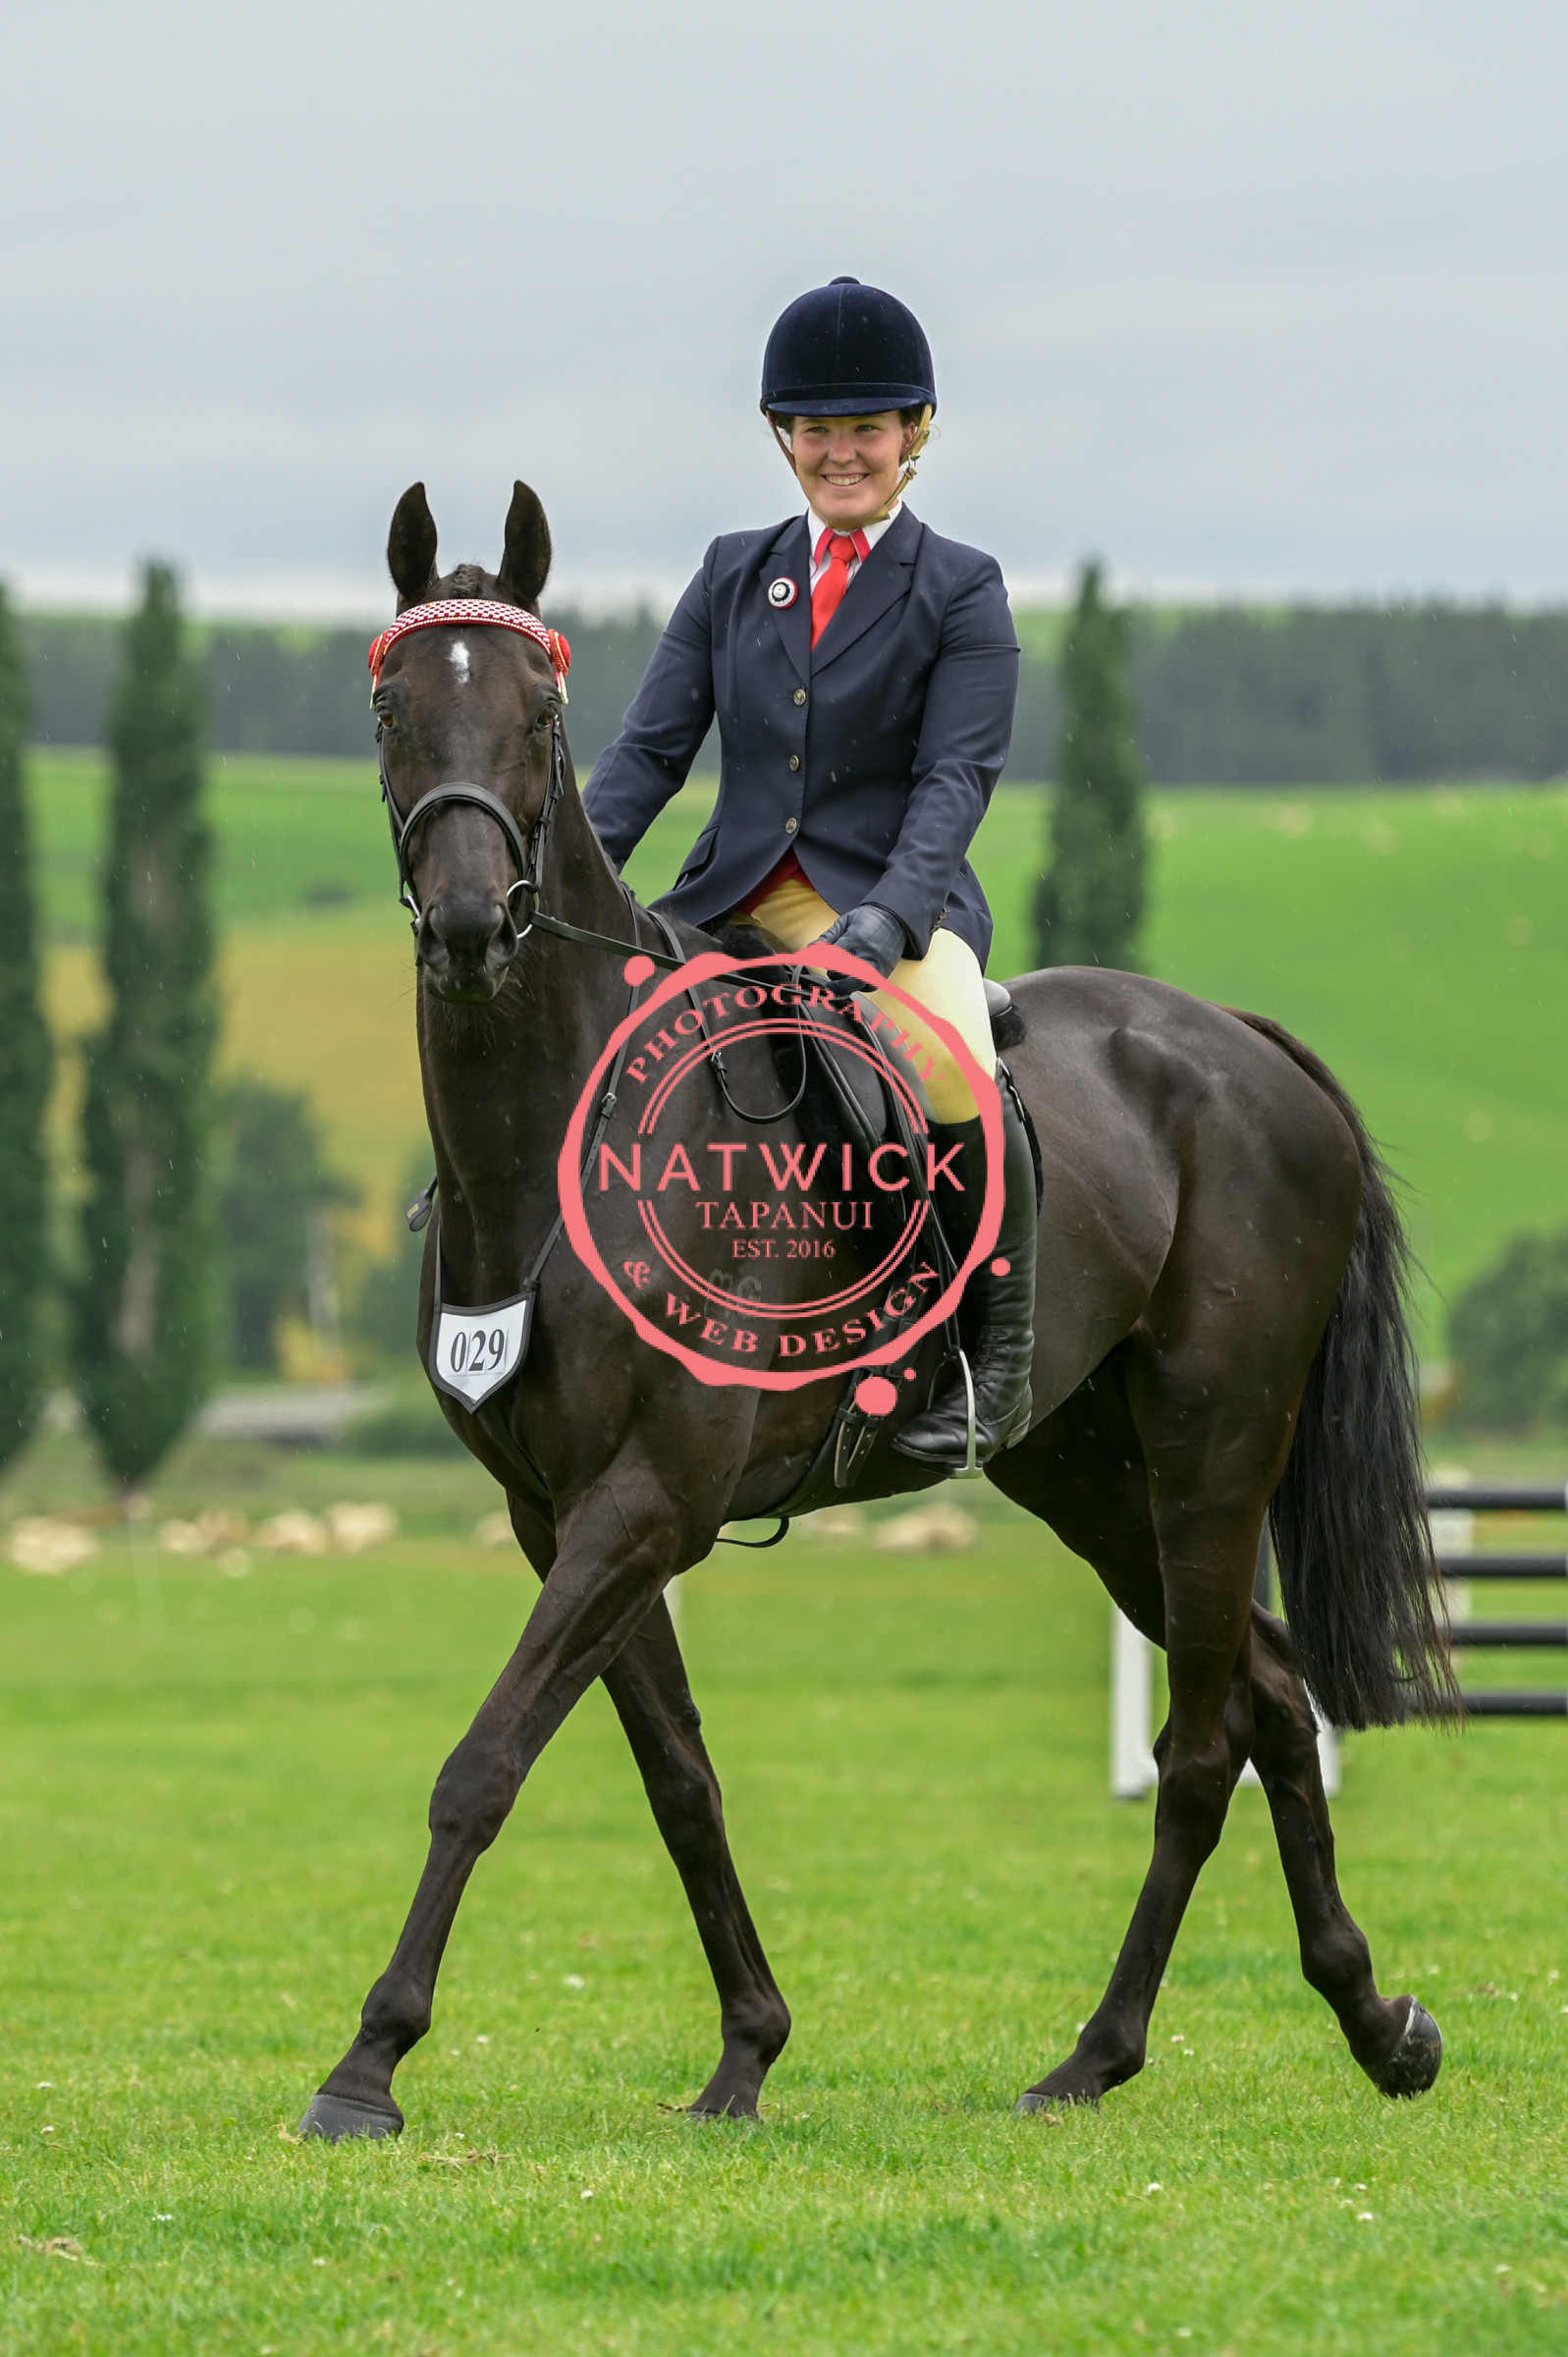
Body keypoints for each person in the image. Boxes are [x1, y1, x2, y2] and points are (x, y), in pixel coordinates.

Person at [585, 276, 1035, 1467]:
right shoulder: (732, 573)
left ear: (915, 432)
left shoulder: (960, 587)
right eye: (817, 429)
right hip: (730, 898)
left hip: (891, 901)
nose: (841, 454)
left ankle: (991, 1363)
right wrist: (562, 878)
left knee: (951, 1063)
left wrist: (886, 924)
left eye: (866, 429)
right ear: (781, 434)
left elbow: (954, 781)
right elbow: (648, 754)